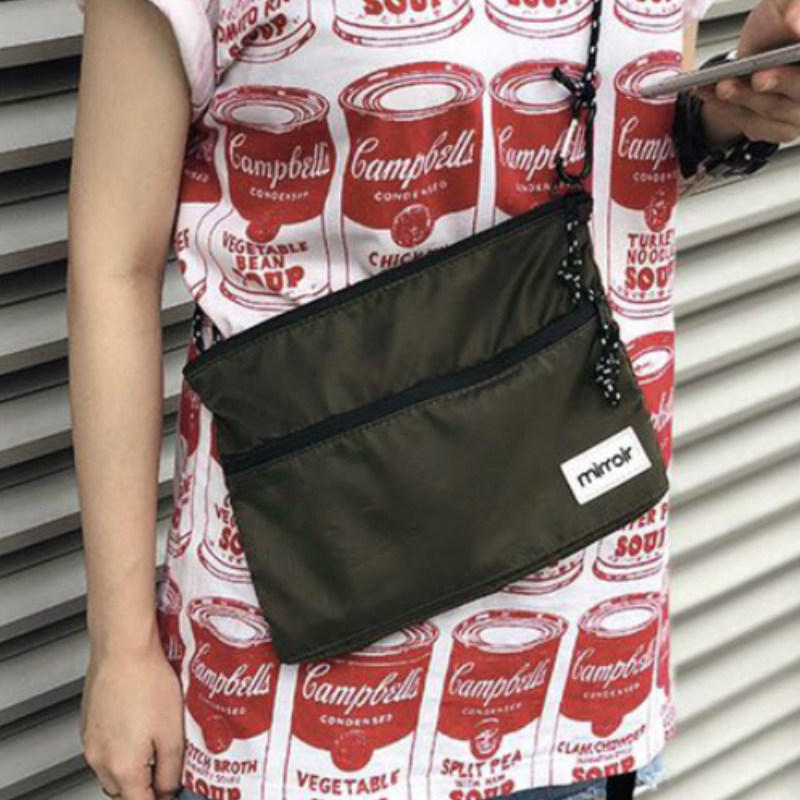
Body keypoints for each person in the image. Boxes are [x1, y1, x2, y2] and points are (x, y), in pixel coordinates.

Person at [67, 0, 800, 799]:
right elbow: (114, 264)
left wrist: (732, 114)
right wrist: (122, 649)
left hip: (577, 657)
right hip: (297, 671)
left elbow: (615, 174)